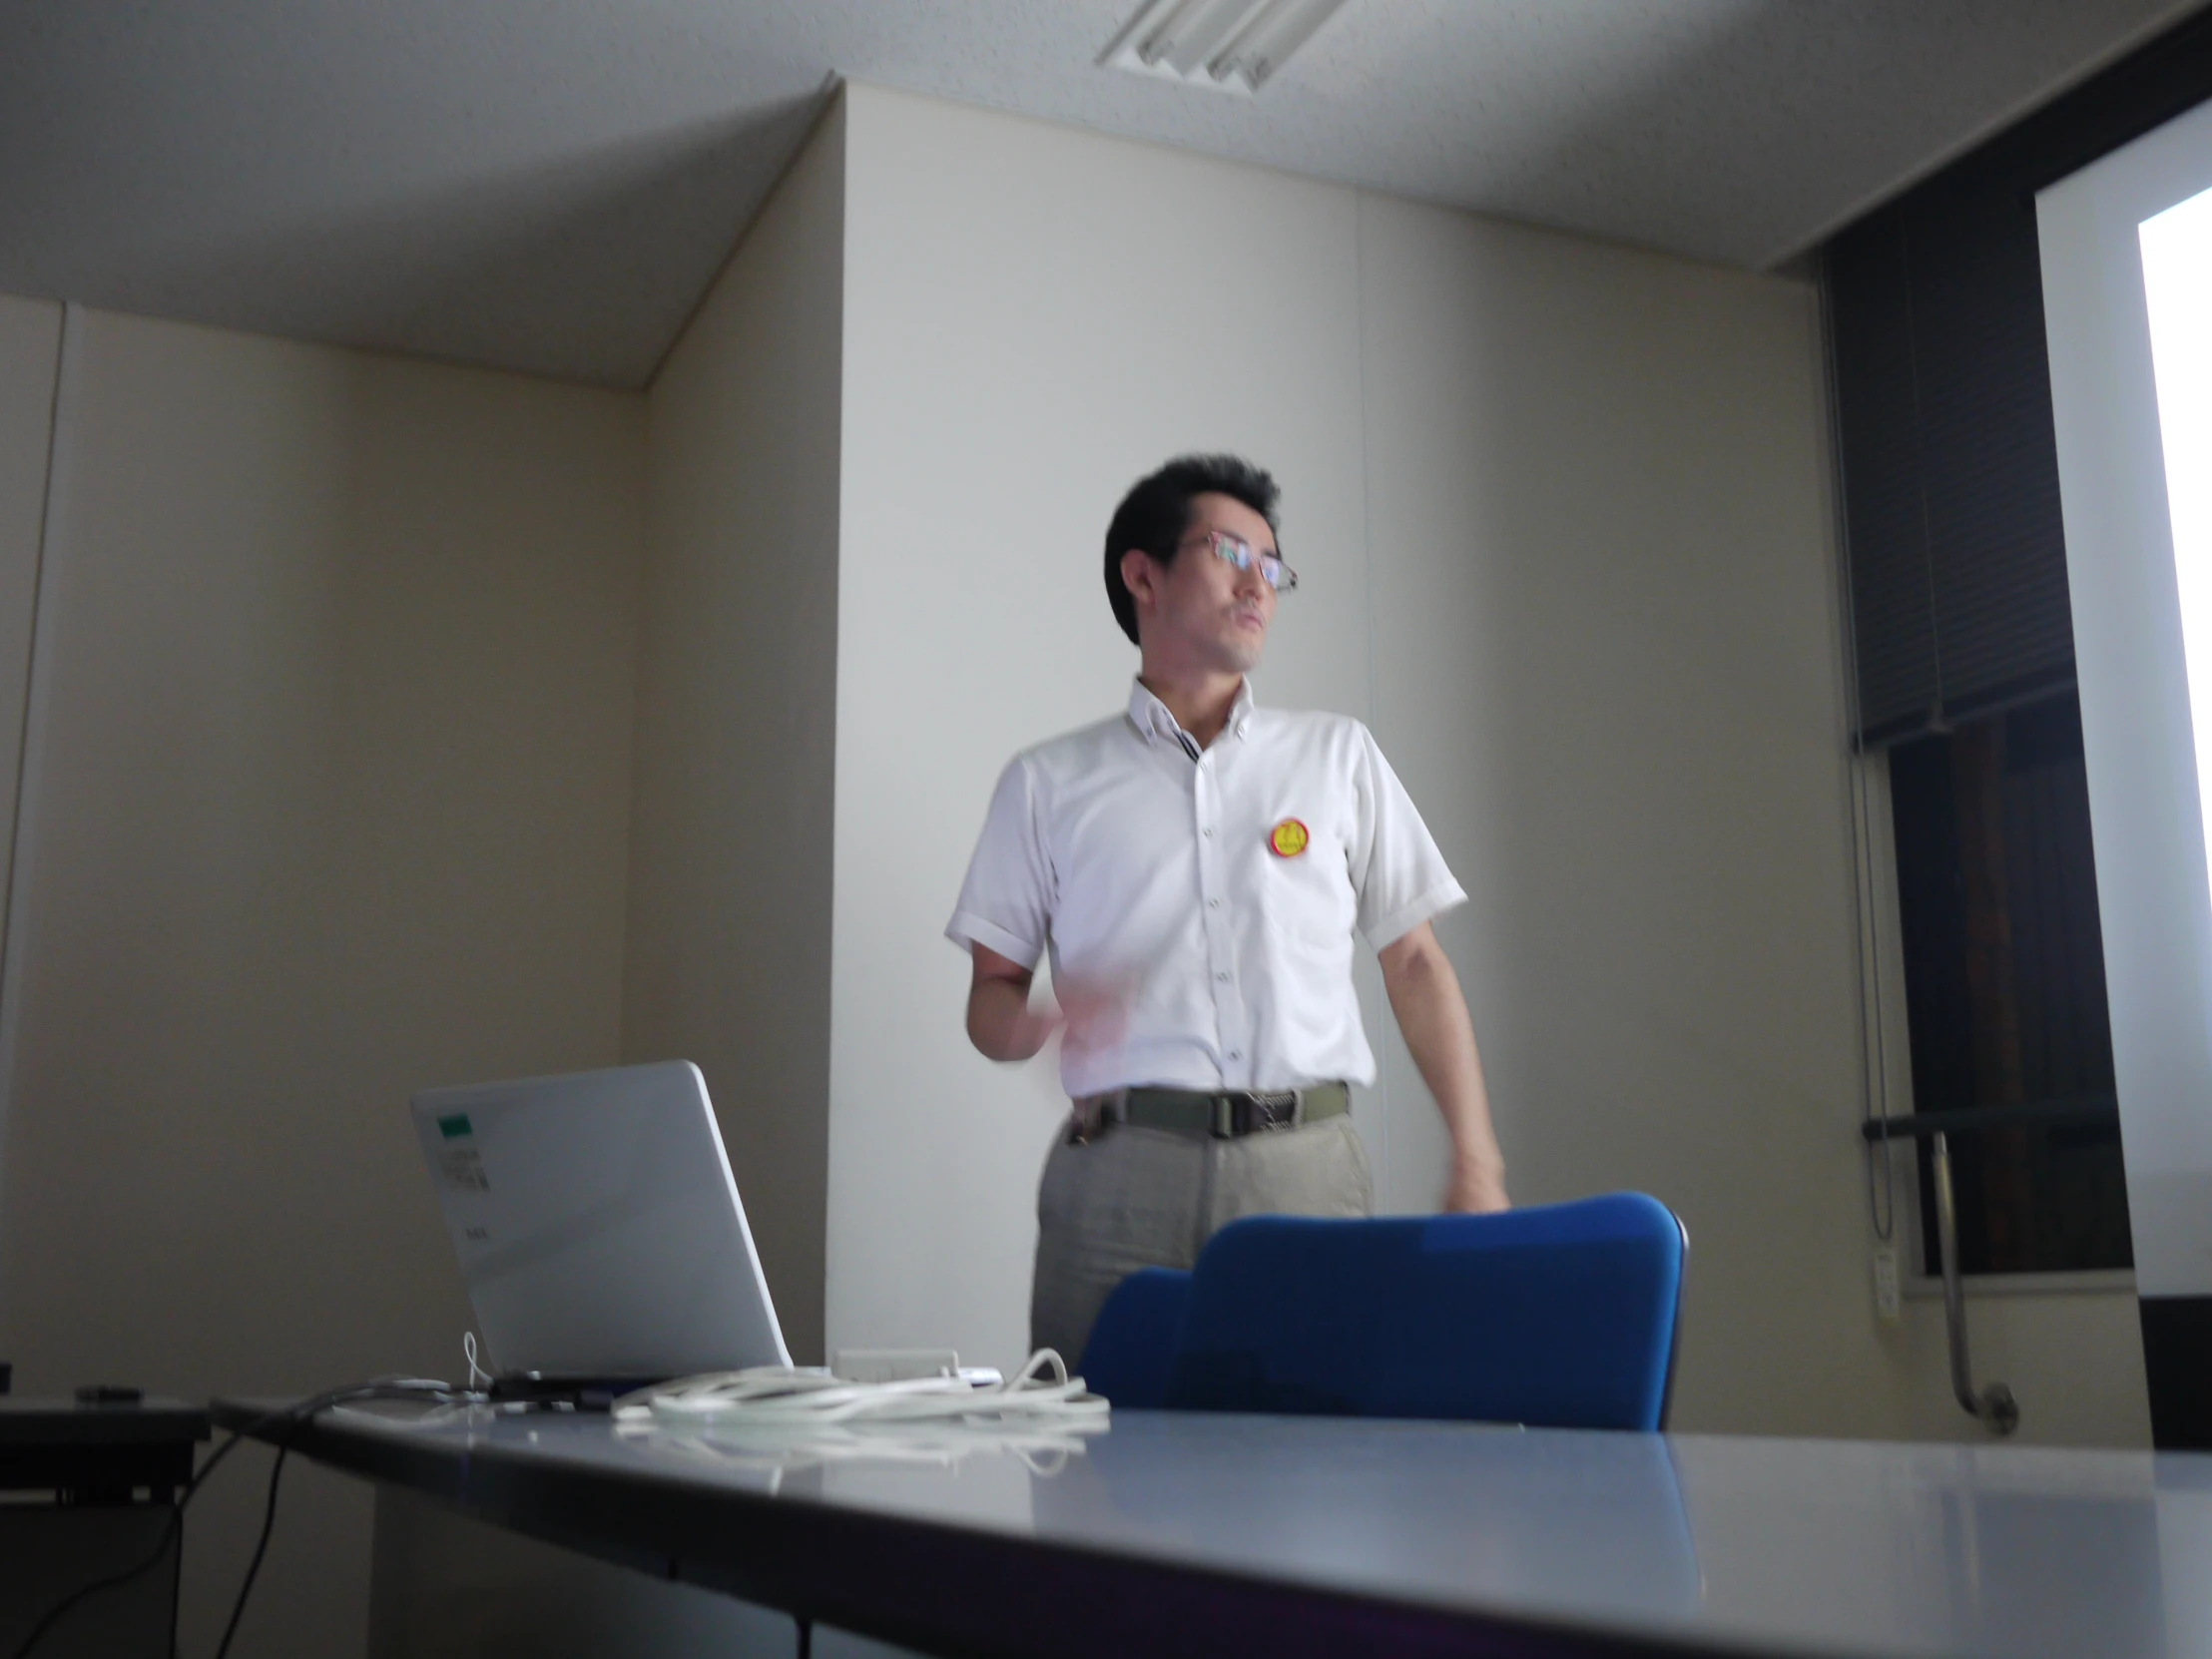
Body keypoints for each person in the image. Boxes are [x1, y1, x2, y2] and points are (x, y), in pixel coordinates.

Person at [946, 454, 1509, 1363]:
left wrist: (1476, 1158)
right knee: (1094, 1456)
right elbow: (991, 997)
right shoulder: (1048, 783)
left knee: (1308, 1474)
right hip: (1119, 1175)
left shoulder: (1337, 757)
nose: (1261, 584)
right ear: (1144, 576)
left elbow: (1414, 963)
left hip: (1305, 1169)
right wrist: (1040, 1025)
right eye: (1230, 553)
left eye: (1274, 566)